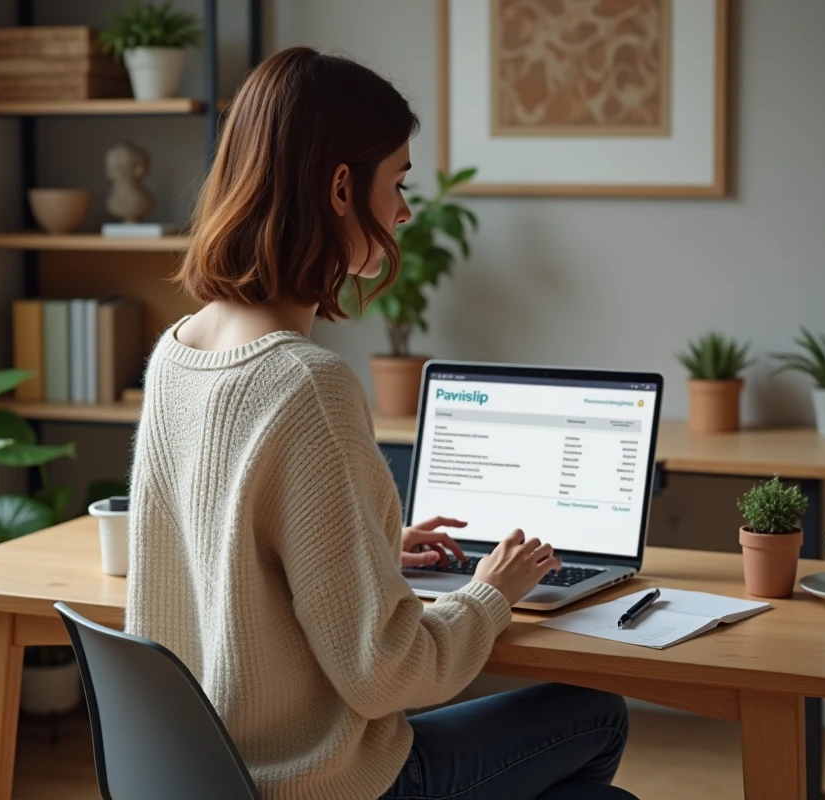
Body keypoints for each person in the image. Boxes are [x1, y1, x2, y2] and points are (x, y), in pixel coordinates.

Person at [125, 46, 634, 800]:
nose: (403, 211)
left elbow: (228, 555)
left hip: (210, 775)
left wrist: (366, 551)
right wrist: (489, 591)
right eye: (397, 182)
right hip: (324, 784)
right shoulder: (307, 384)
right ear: (340, 187)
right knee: (599, 716)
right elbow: (386, 675)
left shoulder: (176, 353)